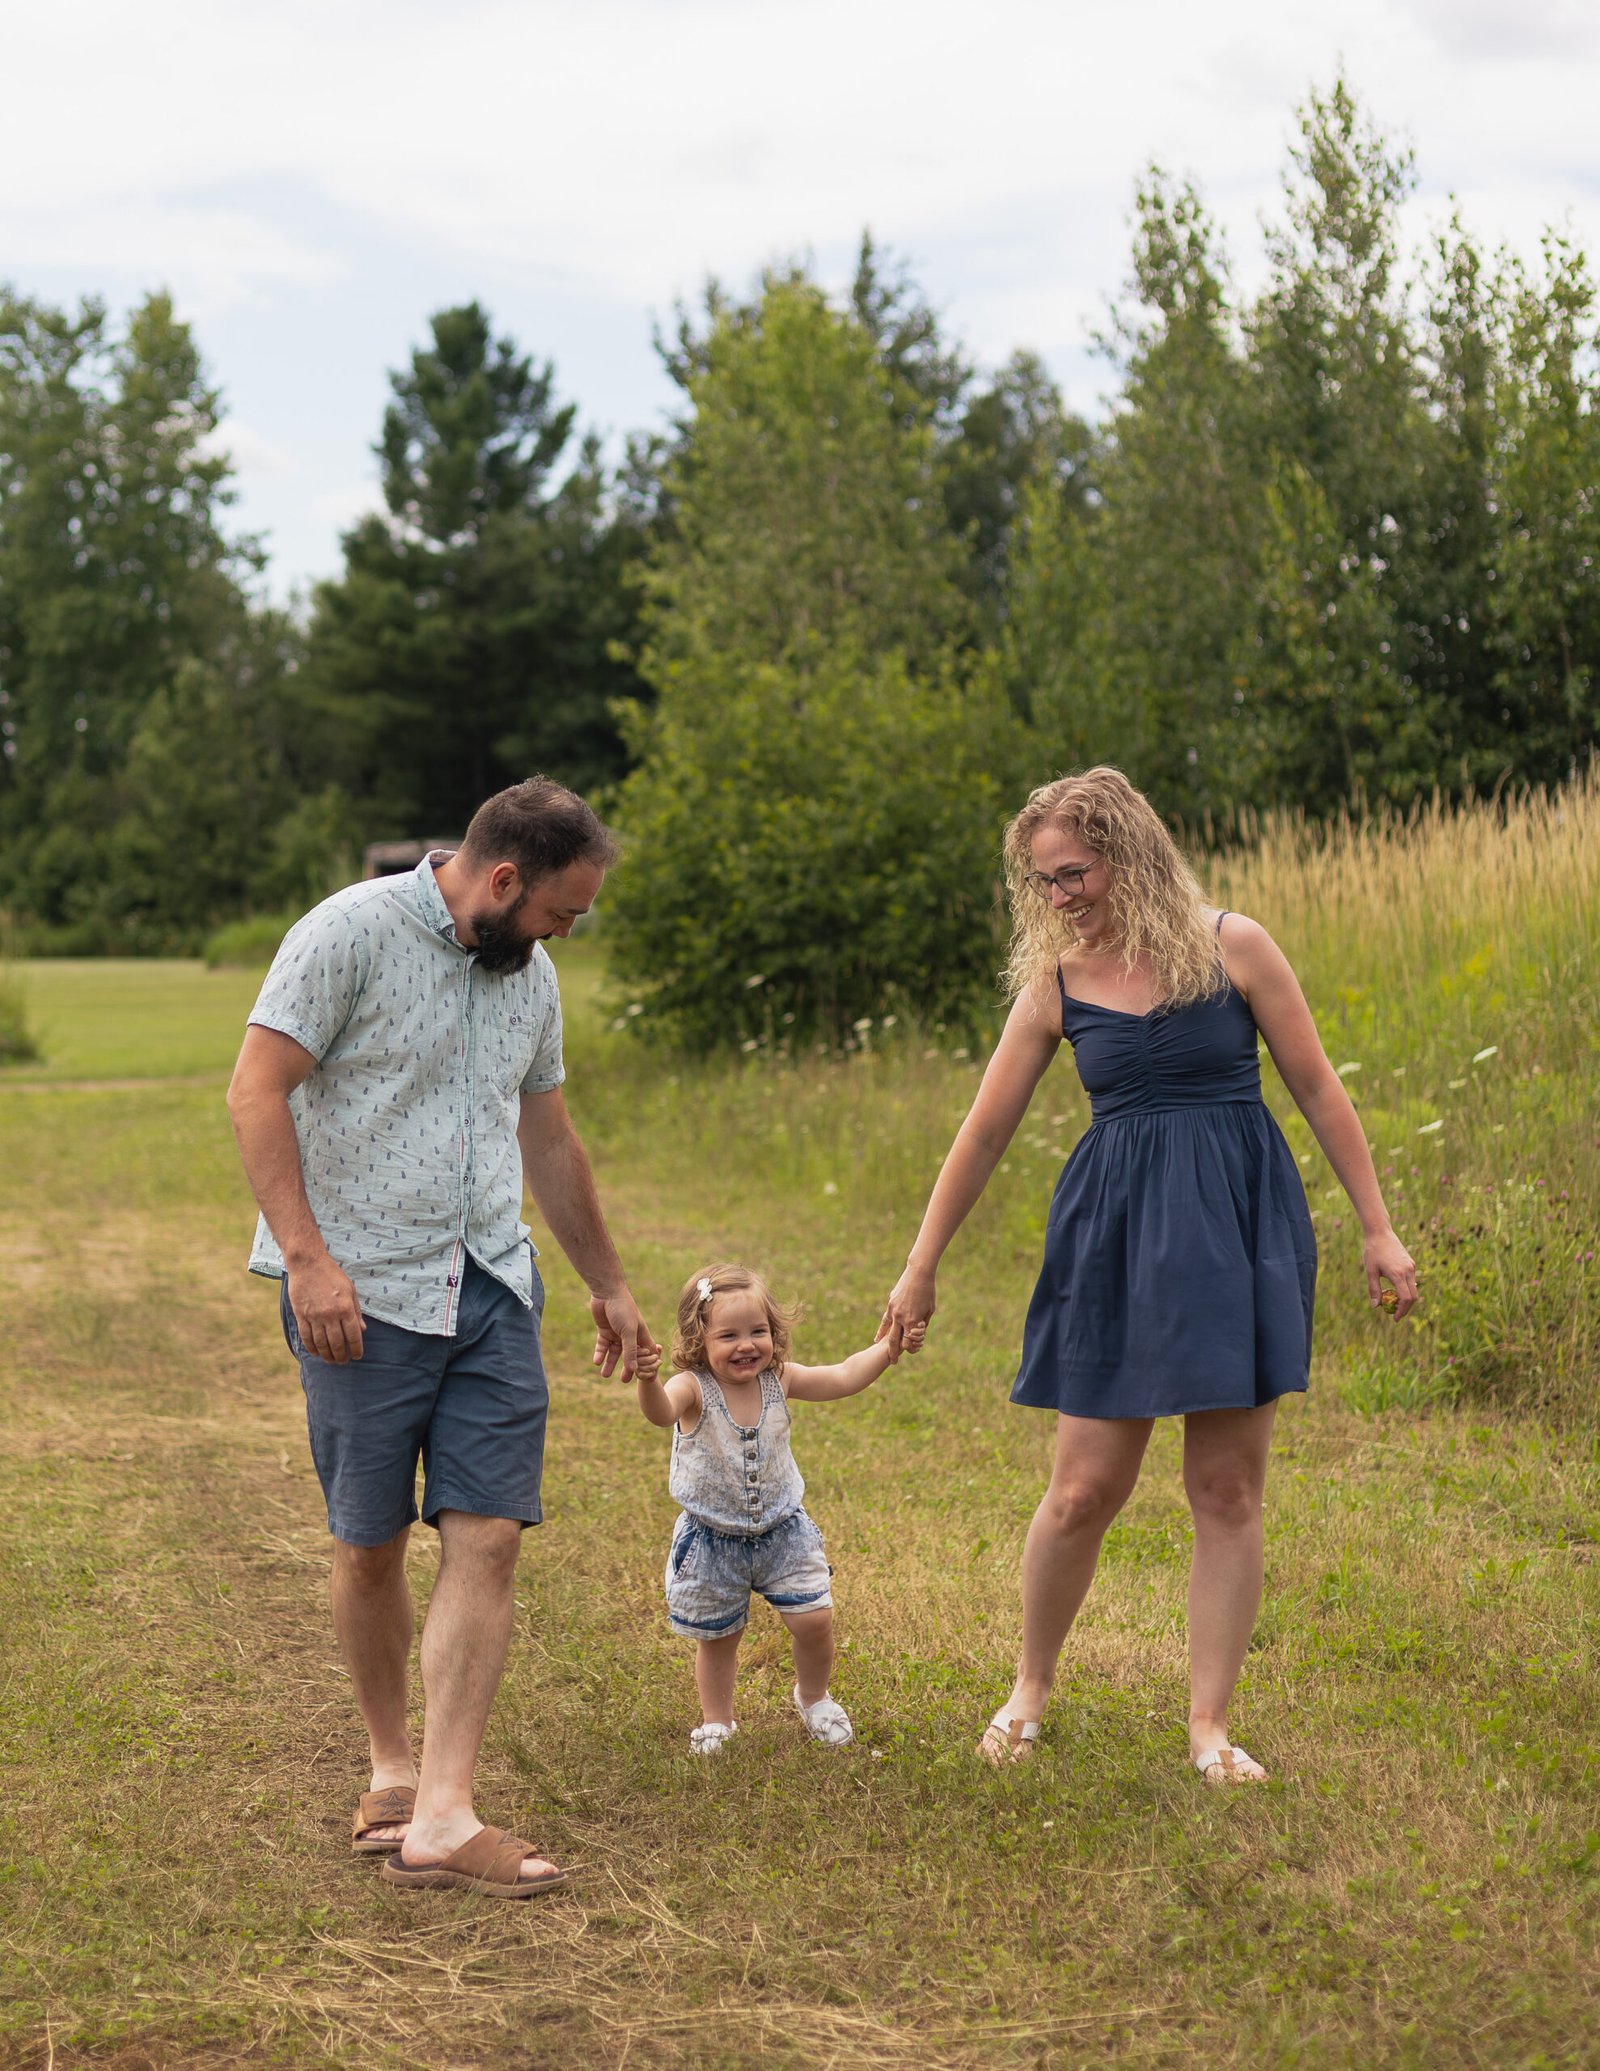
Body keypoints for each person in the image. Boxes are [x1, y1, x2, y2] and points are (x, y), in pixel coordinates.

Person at [878, 767, 1416, 1783]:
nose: (1057, 896)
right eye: (1042, 880)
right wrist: (920, 1266)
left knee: (1225, 1486)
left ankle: (1207, 1722)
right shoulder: (1058, 985)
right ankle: (1029, 1687)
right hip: (1113, 1238)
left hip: (1234, 1227)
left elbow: (1315, 1086)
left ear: (1127, 852)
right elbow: (984, 1131)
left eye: (1071, 872)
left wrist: (1377, 1227)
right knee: (1082, 1488)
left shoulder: (1233, 946)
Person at [227, 776, 656, 1898]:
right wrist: (310, 1261)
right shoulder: (346, 934)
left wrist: (607, 1282)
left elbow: (548, 1139)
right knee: (368, 1541)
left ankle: (444, 1810)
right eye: (564, 911)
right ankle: (390, 1767)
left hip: (491, 1288)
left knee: (492, 1534)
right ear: (503, 881)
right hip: (358, 1295)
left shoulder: (532, 975)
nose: (569, 933)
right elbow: (255, 1091)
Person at [636, 1262, 911, 1754]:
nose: (747, 1345)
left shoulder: (778, 1379)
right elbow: (660, 1413)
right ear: (699, 1341)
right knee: (719, 1638)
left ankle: (814, 1698)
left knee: (814, 1621)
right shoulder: (692, 1388)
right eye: (729, 1335)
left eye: (758, 1331)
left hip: (784, 1532)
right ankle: (718, 1721)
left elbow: (843, 1376)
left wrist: (886, 1350)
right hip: (712, 1541)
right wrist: (648, 1380)